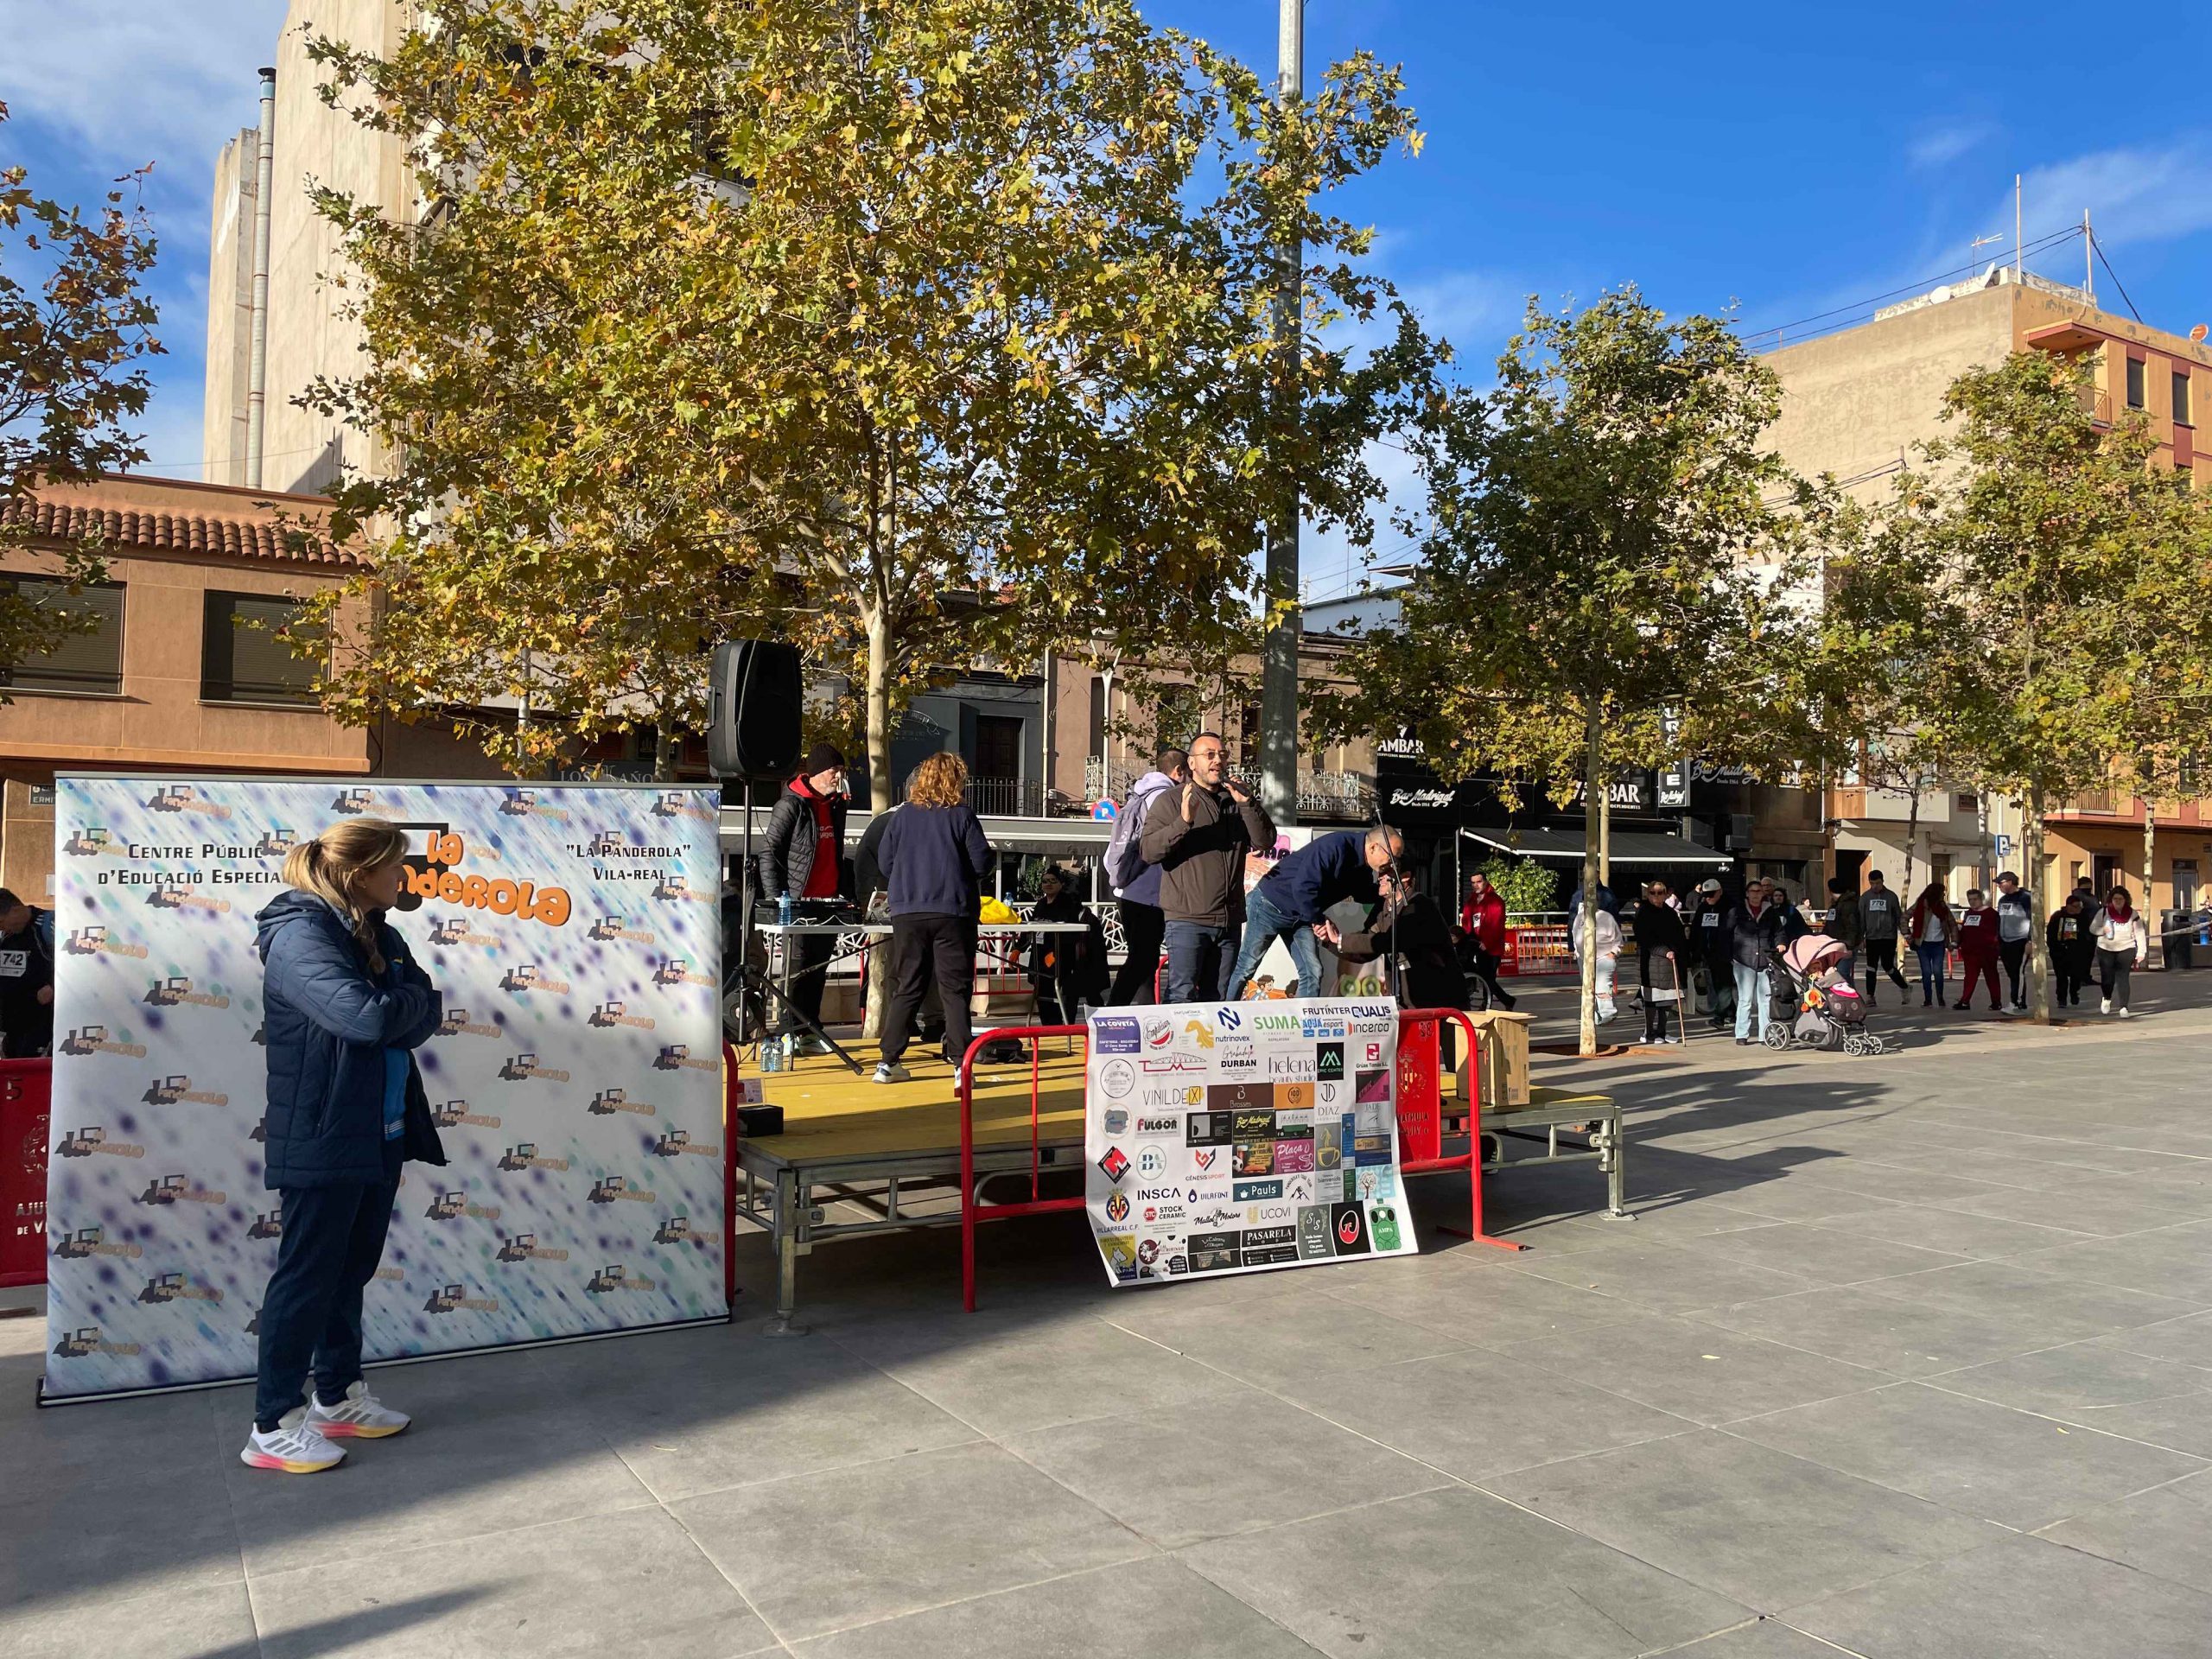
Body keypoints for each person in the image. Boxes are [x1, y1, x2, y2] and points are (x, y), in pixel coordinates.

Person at [245, 818, 444, 1475]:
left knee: (348, 1272)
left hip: (378, 1129)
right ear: (361, 873)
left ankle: (337, 1395)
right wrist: (400, 1002)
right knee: (306, 1277)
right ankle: (272, 1424)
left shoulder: (377, 930)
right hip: (325, 1132)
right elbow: (366, 1018)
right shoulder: (301, 935)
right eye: (397, 867)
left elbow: (427, 1007)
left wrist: (399, 1003)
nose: (404, 878)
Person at [874, 753, 994, 1080]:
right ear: (957, 781)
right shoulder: (962, 815)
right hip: (952, 910)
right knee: (954, 990)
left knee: (907, 985)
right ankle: (960, 1064)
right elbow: (982, 863)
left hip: (908, 911)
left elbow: (885, 864)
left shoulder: (900, 818)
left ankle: (888, 1061)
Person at [1140, 731, 1273, 1002]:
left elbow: (1265, 841)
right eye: (1209, 755)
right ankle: (1176, 1047)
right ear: (1191, 764)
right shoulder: (1172, 801)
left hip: (1229, 921)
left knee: (1221, 999)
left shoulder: (1237, 802)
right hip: (1188, 920)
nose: (1217, 761)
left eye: (1222, 755)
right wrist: (1183, 822)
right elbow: (1149, 852)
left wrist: (1247, 804)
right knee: (1182, 995)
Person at [1234, 824, 1403, 999]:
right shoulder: (1336, 846)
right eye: (1391, 857)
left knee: (1313, 971)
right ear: (1373, 847)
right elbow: (1303, 888)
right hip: (1269, 905)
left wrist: (1391, 890)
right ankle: (1222, 1017)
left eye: (1397, 860)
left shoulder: (1364, 866)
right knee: (1246, 967)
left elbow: (1362, 893)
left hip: (1301, 915)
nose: (1393, 863)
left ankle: (1305, 1022)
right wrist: (1320, 921)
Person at [755, 743, 851, 1054]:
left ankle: (811, 1029)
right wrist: (776, 900)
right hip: (796, 901)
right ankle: (789, 1030)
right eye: (835, 772)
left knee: (818, 967)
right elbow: (769, 853)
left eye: (842, 772)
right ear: (817, 773)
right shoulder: (791, 804)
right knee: (796, 969)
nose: (839, 777)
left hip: (827, 901)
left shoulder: (836, 804)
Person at [1101, 748, 1185, 1006]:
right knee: (1143, 961)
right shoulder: (1167, 798)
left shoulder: (1139, 794)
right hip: (1151, 894)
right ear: (1179, 772)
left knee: (1142, 960)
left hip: (1130, 890)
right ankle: (1113, 1014)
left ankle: (1139, 1017)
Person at [1020, 867, 1107, 1025]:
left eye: (1053, 881)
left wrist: (1056, 954)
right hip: (1040, 955)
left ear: (1061, 884)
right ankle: (1049, 1026)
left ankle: (1065, 1026)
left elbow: (1072, 933)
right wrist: (1018, 948)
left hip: (1062, 958)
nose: (1048, 884)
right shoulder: (1040, 904)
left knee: (1065, 994)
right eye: (1045, 881)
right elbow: (1029, 928)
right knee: (1041, 991)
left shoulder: (1068, 903)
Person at [0, 887, 56, 1058]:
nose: (2, 928)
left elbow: (76, 964)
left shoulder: (49, 925)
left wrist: (52, 988)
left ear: (16, 910)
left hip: (41, 1031)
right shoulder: (6, 937)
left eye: (1, 922)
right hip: (13, 1032)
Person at [1633, 881, 1688, 1046]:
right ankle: (1649, 1032)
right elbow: (1644, 938)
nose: (1657, 896)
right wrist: (1664, 951)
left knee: (1667, 1000)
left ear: (1666, 894)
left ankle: (1662, 1031)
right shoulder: (1643, 912)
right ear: (1648, 894)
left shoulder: (1670, 912)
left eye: (1660, 892)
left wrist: (1681, 951)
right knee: (1652, 1000)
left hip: (1670, 961)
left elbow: (1679, 934)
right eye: (1653, 893)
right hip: (1651, 962)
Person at [1728, 880, 1778, 1045]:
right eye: (1753, 891)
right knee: (1745, 999)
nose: (1756, 894)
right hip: (1743, 960)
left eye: (1759, 891)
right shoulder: (1737, 911)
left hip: (1764, 959)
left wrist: (1781, 944)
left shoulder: (1770, 911)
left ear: (1763, 894)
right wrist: (1730, 955)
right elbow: (1726, 933)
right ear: (1747, 893)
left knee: (1765, 999)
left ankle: (1766, 1035)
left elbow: (1778, 932)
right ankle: (1741, 1034)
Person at [1459, 870, 1516, 1011]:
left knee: (1488, 977)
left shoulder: (1495, 901)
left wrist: (1487, 943)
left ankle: (1495, 1002)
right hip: (1474, 942)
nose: (1476, 885)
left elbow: (1497, 925)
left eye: (1479, 882)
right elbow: (1466, 922)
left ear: (1485, 882)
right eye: (1473, 883)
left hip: (1492, 947)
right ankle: (1486, 998)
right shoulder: (1471, 901)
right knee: (1470, 968)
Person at [2093, 885, 2149, 1018]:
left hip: (2126, 948)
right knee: (2108, 978)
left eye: (2121, 899)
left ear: (2126, 900)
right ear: (2111, 900)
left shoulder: (2133, 914)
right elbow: (2092, 929)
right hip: (2106, 948)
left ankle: (2124, 1007)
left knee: (2123, 978)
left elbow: (2139, 933)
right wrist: (2102, 931)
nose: (2118, 901)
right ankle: (2106, 998)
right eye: (2115, 898)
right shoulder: (2103, 912)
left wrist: (2141, 952)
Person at [1569, 897, 1623, 1026]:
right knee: (1588, 987)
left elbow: (1617, 938)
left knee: (1602, 986)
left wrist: (1613, 953)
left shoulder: (1606, 917)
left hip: (1604, 956)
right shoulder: (1580, 917)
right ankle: (1592, 1014)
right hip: (1584, 958)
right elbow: (1574, 933)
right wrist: (1577, 952)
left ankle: (1607, 1013)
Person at [1859, 869, 1908, 1004]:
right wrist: (1860, 938)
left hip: (1888, 937)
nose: (1875, 886)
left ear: (1883, 881)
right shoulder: (1865, 898)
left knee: (1888, 966)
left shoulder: (1891, 897)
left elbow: (1898, 916)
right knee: (1871, 967)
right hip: (1871, 937)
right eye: (1872, 883)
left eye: (1878, 883)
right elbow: (1862, 919)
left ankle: (1904, 987)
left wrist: (1905, 933)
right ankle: (1870, 996)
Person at [1906, 881, 1957, 1008]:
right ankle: (1928, 999)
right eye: (1942, 892)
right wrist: (1907, 935)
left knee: (1938, 971)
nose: (1944, 895)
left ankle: (1940, 998)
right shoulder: (1921, 904)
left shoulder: (1942, 907)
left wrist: (1954, 941)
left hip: (1938, 944)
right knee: (1926, 972)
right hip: (1922, 944)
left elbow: (1952, 924)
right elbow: (1904, 917)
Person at [1692, 878, 1735, 1026]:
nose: (1709, 898)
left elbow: (1730, 930)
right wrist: (1696, 950)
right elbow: (1696, 929)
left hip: (1724, 952)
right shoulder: (1703, 907)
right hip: (1708, 953)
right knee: (1716, 984)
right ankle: (1732, 1012)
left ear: (1720, 892)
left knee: (1724, 985)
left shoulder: (1729, 908)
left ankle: (1720, 1016)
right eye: (1706, 895)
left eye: (1712, 894)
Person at [1954, 888, 2003, 1012]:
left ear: (1981, 899)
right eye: (1970, 900)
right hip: (1970, 952)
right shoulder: (1969, 913)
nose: (1972, 902)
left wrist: (1996, 946)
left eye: (1975, 899)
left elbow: (1997, 931)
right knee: (1970, 977)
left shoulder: (1991, 913)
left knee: (1991, 977)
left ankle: (1996, 1002)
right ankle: (1965, 1001)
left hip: (1987, 951)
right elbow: (1965, 930)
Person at [1993, 872, 2035, 1011]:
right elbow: (2000, 919)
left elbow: (2034, 919)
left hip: (2021, 940)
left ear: (2010, 882)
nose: (1998, 886)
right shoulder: (2003, 900)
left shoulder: (2026, 898)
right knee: (2011, 973)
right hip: (2005, 941)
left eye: (2001, 882)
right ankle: (2018, 1002)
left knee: (2018, 972)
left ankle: (2016, 1003)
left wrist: (2030, 941)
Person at [2048, 892, 2094, 1008]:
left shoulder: (2083, 917)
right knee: (2061, 977)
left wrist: (2086, 948)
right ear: (2068, 906)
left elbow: (2088, 934)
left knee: (2076, 975)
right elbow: (2051, 934)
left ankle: (2074, 993)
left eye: (2079, 906)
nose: (2078, 909)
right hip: (2060, 951)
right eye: (2075, 906)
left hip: (2077, 952)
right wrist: (2054, 948)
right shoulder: (2058, 916)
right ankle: (2061, 999)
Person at [1823, 874, 1861, 986]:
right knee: (1838, 975)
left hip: (1845, 946)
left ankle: (1852, 998)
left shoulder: (1849, 906)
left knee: (1842, 975)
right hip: (1833, 945)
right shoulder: (1834, 905)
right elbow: (1828, 925)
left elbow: (1852, 927)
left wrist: (1849, 947)